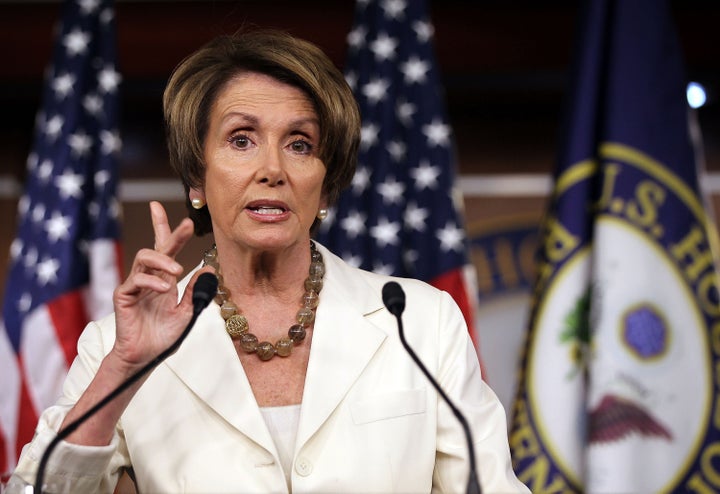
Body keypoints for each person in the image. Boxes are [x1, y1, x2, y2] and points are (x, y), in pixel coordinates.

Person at [10, 29, 529, 493]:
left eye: (300, 144)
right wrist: (123, 369)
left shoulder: (419, 320)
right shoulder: (115, 347)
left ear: (324, 185)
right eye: (241, 139)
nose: (272, 169)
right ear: (197, 177)